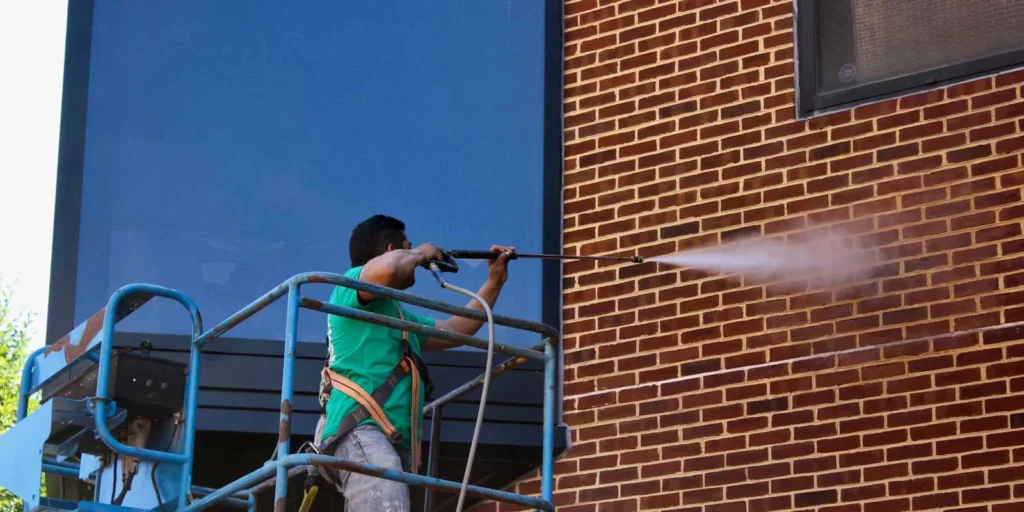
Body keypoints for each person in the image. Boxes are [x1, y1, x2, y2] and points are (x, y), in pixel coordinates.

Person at [311, 214, 512, 511]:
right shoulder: (350, 285)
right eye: (409, 246)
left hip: (383, 438)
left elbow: (459, 330)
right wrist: (419, 254)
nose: (415, 254)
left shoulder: (401, 318)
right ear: (393, 249)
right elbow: (389, 270)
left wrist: (494, 282)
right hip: (359, 429)